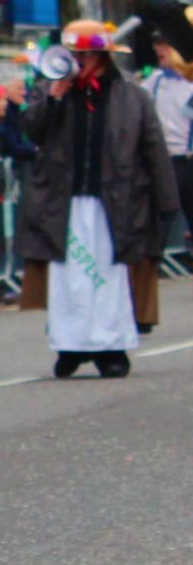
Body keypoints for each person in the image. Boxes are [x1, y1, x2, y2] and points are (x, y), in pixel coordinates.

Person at [17, 22, 178, 377]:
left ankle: (111, 347)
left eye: (88, 54)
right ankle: (69, 346)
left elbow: (153, 147)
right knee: (68, 278)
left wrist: (168, 202)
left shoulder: (132, 95)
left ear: (103, 56)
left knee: (109, 276)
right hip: (64, 202)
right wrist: (54, 98)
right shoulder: (47, 88)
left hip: (115, 202)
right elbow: (31, 129)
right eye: (76, 53)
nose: (81, 60)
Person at [141, 30, 193, 250]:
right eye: (157, 44)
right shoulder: (154, 81)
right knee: (157, 227)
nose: (159, 49)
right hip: (162, 163)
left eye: (165, 44)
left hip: (189, 162)